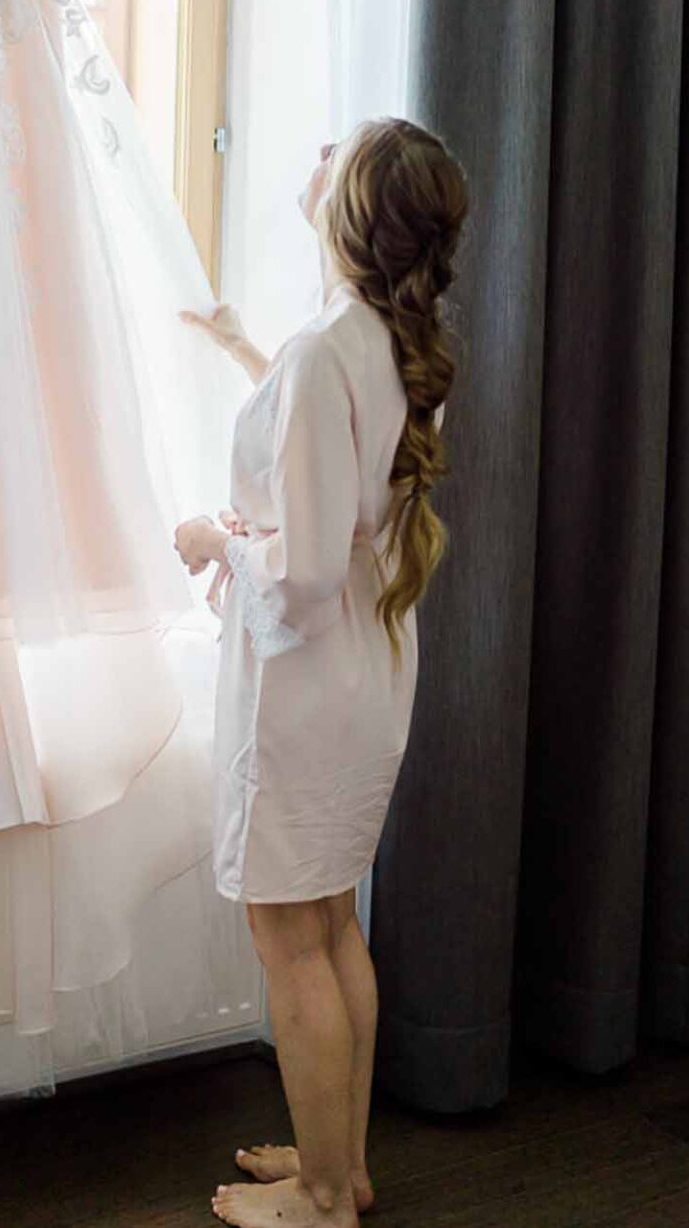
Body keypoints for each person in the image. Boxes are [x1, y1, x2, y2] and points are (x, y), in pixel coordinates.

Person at [173, 118, 469, 1227]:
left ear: (349, 206)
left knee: (289, 937)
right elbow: (337, 458)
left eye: (330, 150)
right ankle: (338, 1165)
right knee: (333, 926)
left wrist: (212, 536)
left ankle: (320, 1199)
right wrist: (247, 350)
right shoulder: (389, 341)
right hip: (365, 681)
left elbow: (294, 578)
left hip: (304, 687)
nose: (310, 156)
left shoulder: (325, 354)